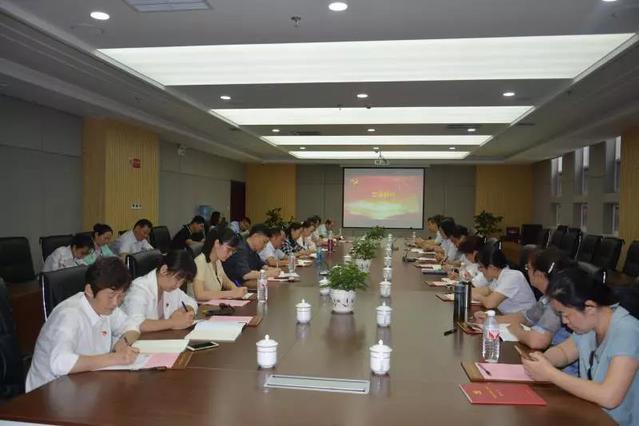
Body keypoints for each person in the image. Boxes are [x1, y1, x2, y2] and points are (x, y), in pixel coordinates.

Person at [520, 268, 639, 425]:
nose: (564, 321)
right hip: (591, 414)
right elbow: (564, 352)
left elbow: (609, 397)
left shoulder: (627, 330)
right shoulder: (589, 325)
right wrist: (543, 359)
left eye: (566, 314)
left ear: (589, 307)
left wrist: (550, 374)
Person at [26, 257, 140, 392]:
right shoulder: (69, 315)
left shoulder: (105, 307)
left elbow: (132, 324)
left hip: (85, 382)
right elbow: (60, 363)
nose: (116, 303)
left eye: (121, 296)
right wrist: (114, 358)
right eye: (111, 296)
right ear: (90, 291)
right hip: (48, 391)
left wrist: (123, 342)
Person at [474, 248, 574, 350]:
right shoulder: (545, 298)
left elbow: (537, 341)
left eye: (528, 268)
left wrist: (517, 331)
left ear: (539, 274)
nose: (527, 271)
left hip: (555, 355)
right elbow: (526, 317)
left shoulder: (557, 302)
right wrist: (491, 320)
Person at [121, 250, 197, 332]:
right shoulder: (138, 288)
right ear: (164, 270)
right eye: (178, 279)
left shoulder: (170, 288)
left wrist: (182, 311)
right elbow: (136, 323)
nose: (178, 285)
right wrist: (173, 322)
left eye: (182, 282)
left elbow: (191, 302)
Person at [472, 244, 536, 314]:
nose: (479, 270)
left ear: (491, 267)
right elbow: (487, 290)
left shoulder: (512, 277)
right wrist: (466, 291)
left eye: (481, 267)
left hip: (523, 319)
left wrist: (478, 297)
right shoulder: (498, 276)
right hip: (507, 315)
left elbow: (490, 303)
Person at [189, 228, 247, 301]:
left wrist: (236, 289)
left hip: (212, 305)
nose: (230, 254)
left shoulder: (217, 261)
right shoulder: (200, 261)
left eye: (232, 251)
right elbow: (199, 295)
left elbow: (226, 281)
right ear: (217, 243)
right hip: (198, 306)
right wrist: (231, 293)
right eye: (229, 249)